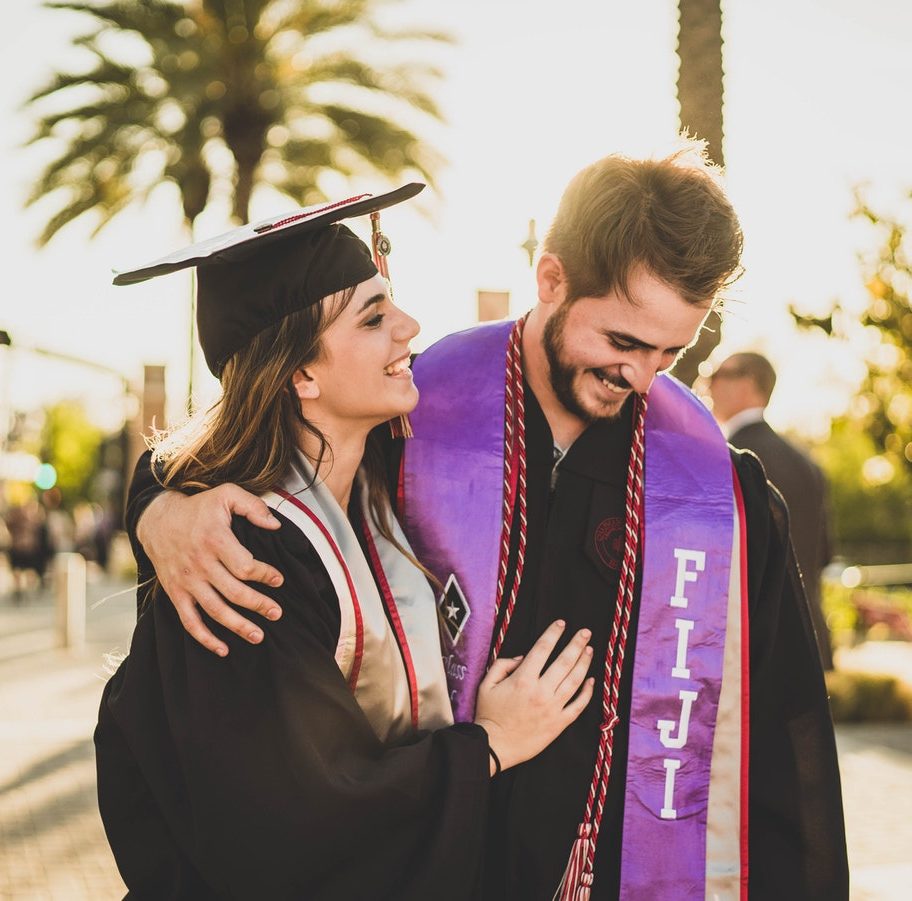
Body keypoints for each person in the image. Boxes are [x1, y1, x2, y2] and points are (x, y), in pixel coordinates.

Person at [128, 145, 849, 899]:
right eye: (622, 342)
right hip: (423, 866)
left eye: (671, 352)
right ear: (551, 279)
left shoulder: (717, 493)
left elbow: (782, 746)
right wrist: (157, 506)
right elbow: (243, 445)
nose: (641, 378)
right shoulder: (411, 416)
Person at [95, 186, 596, 900]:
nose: (410, 327)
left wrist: (153, 503)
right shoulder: (244, 559)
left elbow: (170, 464)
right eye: (374, 317)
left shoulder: (378, 478)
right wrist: (489, 747)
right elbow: (296, 821)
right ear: (301, 373)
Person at [708, 351, 834, 670]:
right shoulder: (807, 464)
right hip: (806, 639)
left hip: (747, 646)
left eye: (716, 374)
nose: (707, 384)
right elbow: (824, 555)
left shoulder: (726, 459)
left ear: (747, 384)